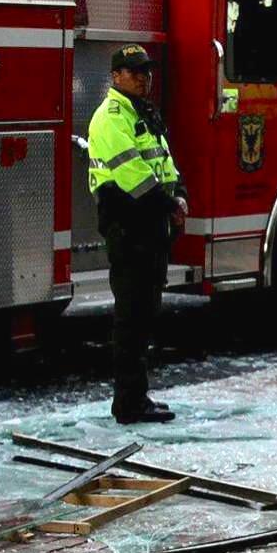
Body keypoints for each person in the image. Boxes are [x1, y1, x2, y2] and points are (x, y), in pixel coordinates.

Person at [87, 43, 187, 423]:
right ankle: (128, 403)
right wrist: (170, 205)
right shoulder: (111, 117)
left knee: (143, 317)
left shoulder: (141, 112)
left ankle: (136, 397)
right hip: (129, 228)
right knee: (131, 319)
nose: (143, 78)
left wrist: (180, 194)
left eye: (147, 71)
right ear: (116, 76)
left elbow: (164, 163)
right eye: (134, 71)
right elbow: (133, 177)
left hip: (149, 228)